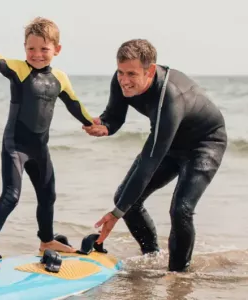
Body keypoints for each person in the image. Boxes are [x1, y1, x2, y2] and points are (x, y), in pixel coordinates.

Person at [83, 39, 227, 272]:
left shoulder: (170, 97)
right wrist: (106, 127)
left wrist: (116, 214)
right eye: (120, 72)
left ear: (150, 70)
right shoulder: (121, 79)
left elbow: (149, 162)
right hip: (170, 140)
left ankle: (178, 276)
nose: (124, 80)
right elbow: (115, 115)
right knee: (126, 197)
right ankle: (152, 256)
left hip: (204, 144)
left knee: (181, 210)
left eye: (131, 74)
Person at [0, 17, 94, 268]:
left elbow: (75, 105)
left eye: (44, 49)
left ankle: (47, 241)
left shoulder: (60, 78)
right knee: (11, 196)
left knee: (48, 195)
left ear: (57, 49)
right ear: (24, 48)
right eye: (31, 49)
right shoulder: (20, 70)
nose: (37, 54)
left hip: (39, 148)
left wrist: (94, 124)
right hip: (15, 146)